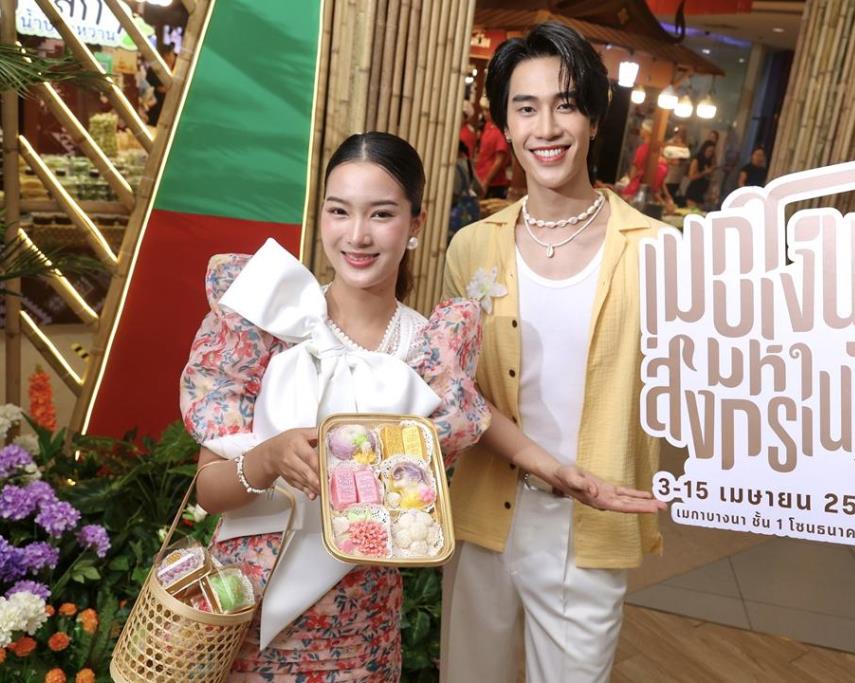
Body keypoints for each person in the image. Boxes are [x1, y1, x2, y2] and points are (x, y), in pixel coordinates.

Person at [179, 132, 499, 680]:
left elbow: (426, 502)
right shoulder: (271, 320)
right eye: (339, 211)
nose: (357, 235)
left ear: (416, 223)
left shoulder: (429, 354)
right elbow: (209, 492)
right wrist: (268, 458)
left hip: (361, 629)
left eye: (381, 214)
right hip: (243, 612)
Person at [441, 21, 667, 683]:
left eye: (565, 104)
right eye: (526, 108)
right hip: (485, 515)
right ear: (505, 125)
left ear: (594, 118)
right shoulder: (472, 248)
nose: (546, 127)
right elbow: (455, 390)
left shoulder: (658, 252)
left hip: (591, 528)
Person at [475, 99, 512, 198]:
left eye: (487, 111)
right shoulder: (488, 126)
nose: (485, 113)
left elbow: (499, 161)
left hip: (494, 184)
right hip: (481, 177)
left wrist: (486, 181)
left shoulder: (501, 131)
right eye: (484, 110)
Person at [620, 118, 653, 198]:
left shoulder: (643, 149)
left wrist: (629, 182)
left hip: (636, 187)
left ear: (646, 131)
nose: (640, 131)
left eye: (642, 128)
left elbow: (635, 169)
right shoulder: (654, 150)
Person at [145, 44, 177, 125]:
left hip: (171, 106)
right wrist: (160, 88)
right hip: (156, 106)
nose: (174, 57)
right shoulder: (154, 69)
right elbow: (152, 84)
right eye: (172, 54)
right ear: (165, 56)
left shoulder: (176, 68)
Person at [685, 139, 716, 208]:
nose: (710, 153)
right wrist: (704, 172)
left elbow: (710, 177)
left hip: (703, 193)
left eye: (712, 152)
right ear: (704, 150)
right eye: (709, 151)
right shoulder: (697, 159)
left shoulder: (709, 161)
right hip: (694, 192)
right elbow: (691, 177)